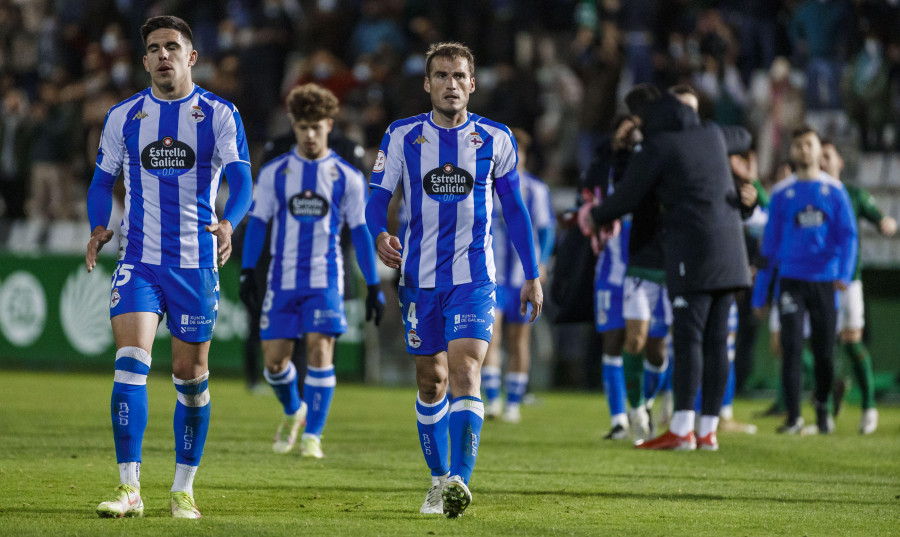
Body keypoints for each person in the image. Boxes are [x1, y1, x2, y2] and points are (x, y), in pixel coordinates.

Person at [365, 42, 543, 518]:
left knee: (466, 371)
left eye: (458, 76)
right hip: (419, 280)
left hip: (474, 279)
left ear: (472, 83)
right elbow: (376, 198)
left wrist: (532, 274)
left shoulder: (496, 138)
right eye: (440, 76)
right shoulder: (402, 136)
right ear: (427, 84)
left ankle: (460, 481)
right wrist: (379, 233)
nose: (450, 84)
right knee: (431, 382)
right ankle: (438, 480)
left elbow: (516, 211)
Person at [85, 16, 253, 518]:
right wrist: (99, 225)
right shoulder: (123, 116)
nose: (163, 55)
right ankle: (129, 489)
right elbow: (100, 183)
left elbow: (243, 180)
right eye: (154, 48)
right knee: (130, 364)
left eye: (172, 47)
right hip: (138, 260)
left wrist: (229, 223)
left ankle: (183, 487)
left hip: (195, 263)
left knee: (190, 374)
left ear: (191, 56)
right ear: (144, 60)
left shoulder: (220, 114)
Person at [580, 85, 753, 451]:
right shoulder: (711, 134)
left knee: (688, 339)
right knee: (717, 341)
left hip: (694, 253)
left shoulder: (661, 146)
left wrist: (592, 216)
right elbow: (744, 135)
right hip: (732, 252)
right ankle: (707, 431)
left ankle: (682, 430)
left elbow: (625, 198)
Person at [240, 82, 385, 458]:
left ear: (330, 125)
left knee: (321, 353)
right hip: (281, 279)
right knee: (275, 363)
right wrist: (247, 271)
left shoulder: (347, 177)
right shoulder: (275, 173)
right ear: (292, 123)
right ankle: (295, 411)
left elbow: (361, 232)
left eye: (316, 127)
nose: (309, 135)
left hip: (325, 281)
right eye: (302, 127)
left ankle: (312, 437)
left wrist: (372, 285)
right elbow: (257, 223)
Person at [760, 127, 857, 435]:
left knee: (824, 351)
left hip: (825, 280)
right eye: (798, 145)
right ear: (791, 151)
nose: (803, 150)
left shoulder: (834, 191)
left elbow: (848, 236)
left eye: (809, 145)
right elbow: (769, 246)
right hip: (790, 279)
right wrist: (759, 294)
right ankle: (792, 417)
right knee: (789, 348)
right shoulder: (781, 192)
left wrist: (843, 273)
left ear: (819, 151)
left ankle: (822, 408)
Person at [820, 139, 896, 434]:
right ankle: (824, 406)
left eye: (828, 155)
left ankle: (868, 406)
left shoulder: (852, 195)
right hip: (816, 279)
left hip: (848, 279)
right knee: (813, 347)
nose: (824, 161)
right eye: (820, 156)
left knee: (852, 343)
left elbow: (878, 217)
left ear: (839, 161)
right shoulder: (812, 194)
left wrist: (884, 222)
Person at [482, 127, 554, 424]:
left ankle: (513, 403)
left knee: (519, 340)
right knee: (491, 336)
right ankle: (494, 400)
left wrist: (543, 263)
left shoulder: (535, 190)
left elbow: (546, 230)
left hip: (522, 278)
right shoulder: (487, 186)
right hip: (493, 277)